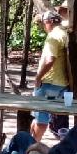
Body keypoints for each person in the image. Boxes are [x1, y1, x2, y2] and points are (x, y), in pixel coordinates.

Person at [30, 10, 70, 141]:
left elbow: (50, 59)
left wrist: (38, 77)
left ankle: (32, 147)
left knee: (41, 118)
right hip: (62, 83)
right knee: (37, 117)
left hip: (49, 83)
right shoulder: (65, 34)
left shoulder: (53, 37)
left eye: (44, 23)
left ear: (50, 22)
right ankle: (31, 141)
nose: (43, 26)